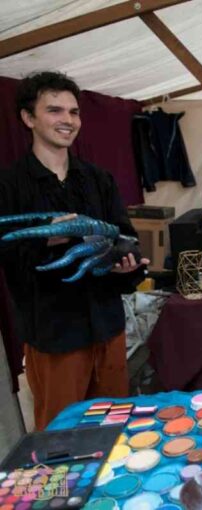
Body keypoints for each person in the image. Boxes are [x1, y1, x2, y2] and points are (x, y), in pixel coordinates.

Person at [0, 72, 148, 430]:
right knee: (61, 435)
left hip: (108, 327)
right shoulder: (9, 185)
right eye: (54, 110)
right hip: (55, 335)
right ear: (28, 118)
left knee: (115, 426)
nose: (67, 120)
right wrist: (47, 238)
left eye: (74, 112)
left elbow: (124, 236)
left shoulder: (99, 179)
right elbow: (9, 259)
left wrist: (126, 264)